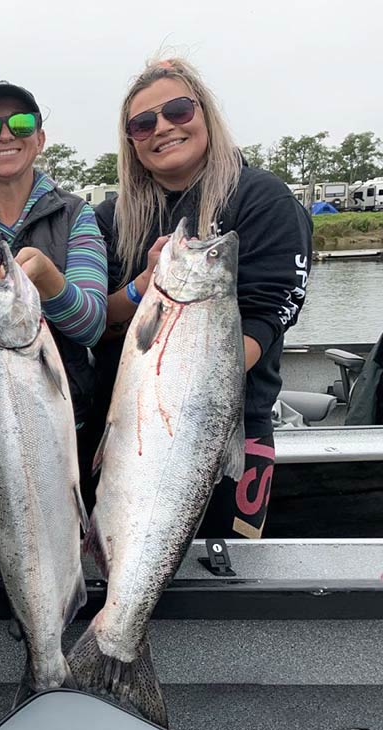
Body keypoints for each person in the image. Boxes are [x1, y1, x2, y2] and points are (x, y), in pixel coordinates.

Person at [89, 57, 312, 538]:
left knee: (224, 571)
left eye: (178, 110)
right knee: (118, 562)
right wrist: (142, 287)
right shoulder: (111, 218)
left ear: (205, 113)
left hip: (229, 428)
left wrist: (190, 381)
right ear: (131, 140)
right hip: (126, 428)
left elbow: (271, 313)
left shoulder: (262, 198)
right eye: (143, 123)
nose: (162, 128)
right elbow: (95, 321)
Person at [0, 80, 108, 444]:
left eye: (21, 124)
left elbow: (91, 326)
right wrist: (6, 369)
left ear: (40, 139)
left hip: (69, 427)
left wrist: (49, 281)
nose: (5, 135)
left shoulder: (75, 215)